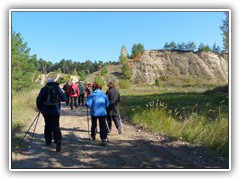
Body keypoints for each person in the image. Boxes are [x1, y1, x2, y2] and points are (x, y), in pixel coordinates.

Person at [36, 78, 67, 152]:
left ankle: (48, 141)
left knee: (47, 125)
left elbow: (39, 100)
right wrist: (58, 100)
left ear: (47, 82)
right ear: (54, 82)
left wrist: (40, 108)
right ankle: (58, 140)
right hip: (55, 111)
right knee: (56, 125)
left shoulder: (44, 89)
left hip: (46, 111)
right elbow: (64, 98)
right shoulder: (57, 88)